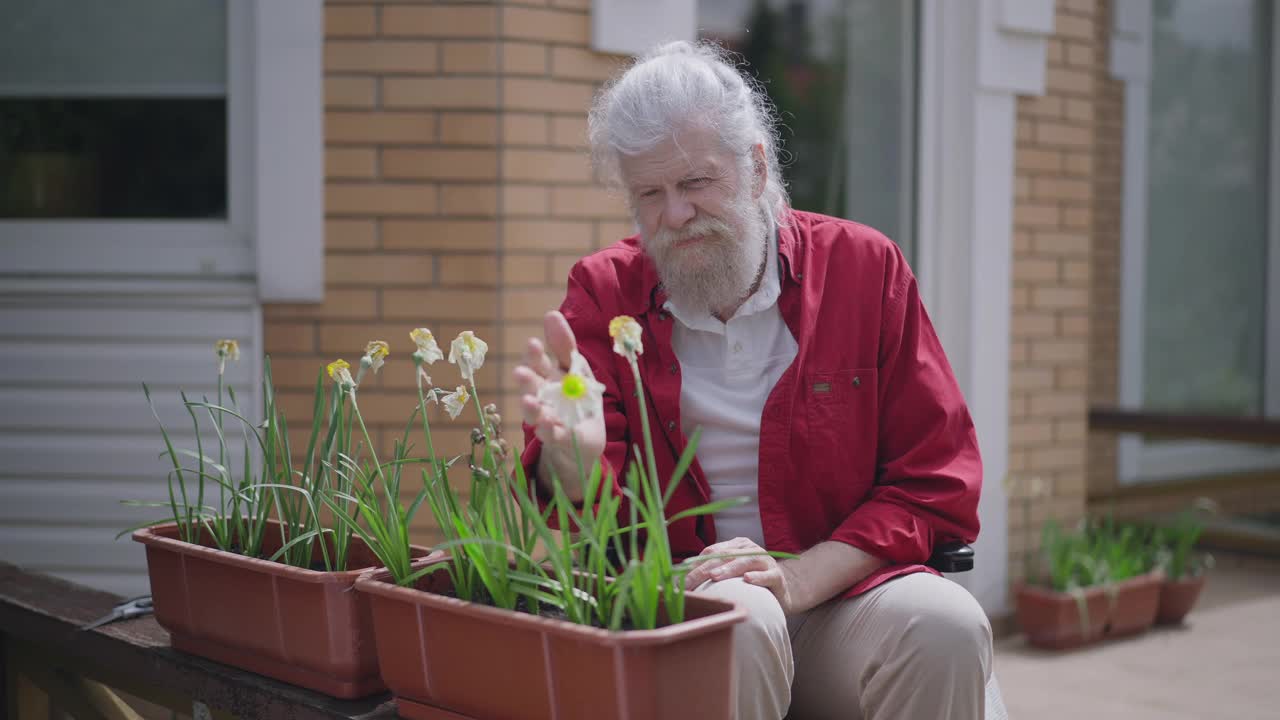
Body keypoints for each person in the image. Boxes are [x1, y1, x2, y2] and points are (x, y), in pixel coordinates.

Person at [513, 40, 992, 720]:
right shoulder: (603, 293)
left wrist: (796, 578)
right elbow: (576, 512)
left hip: (842, 600)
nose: (674, 214)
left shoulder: (864, 268)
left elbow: (934, 479)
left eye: (695, 183)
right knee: (738, 619)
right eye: (649, 193)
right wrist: (574, 461)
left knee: (946, 625)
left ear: (757, 166)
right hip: (695, 601)